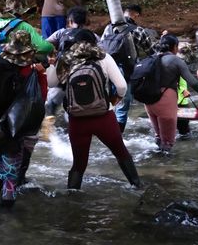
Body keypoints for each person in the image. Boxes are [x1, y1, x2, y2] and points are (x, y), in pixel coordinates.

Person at [56, 29, 141, 190]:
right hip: (103, 116)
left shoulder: (66, 59)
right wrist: (116, 99)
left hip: (77, 119)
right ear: (94, 43)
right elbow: (122, 86)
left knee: (79, 163)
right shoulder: (103, 57)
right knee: (121, 153)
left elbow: (52, 82)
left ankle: (72, 198)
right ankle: (137, 186)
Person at [0, 30, 47, 207]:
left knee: (1, 165)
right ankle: (6, 211)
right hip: (12, 128)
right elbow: (39, 100)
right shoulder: (32, 73)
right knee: (11, 172)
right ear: (29, 53)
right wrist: (41, 75)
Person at [146, 34, 198, 153]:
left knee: (159, 136)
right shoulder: (175, 60)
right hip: (167, 102)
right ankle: (168, 168)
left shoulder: (152, 58)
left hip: (149, 102)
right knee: (168, 141)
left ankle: (156, 161)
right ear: (175, 47)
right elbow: (193, 82)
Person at [101, 4, 156, 132]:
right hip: (127, 71)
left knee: (108, 102)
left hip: (107, 70)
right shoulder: (138, 30)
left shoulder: (108, 28)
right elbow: (151, 52)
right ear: (135, 14)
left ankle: (106, 131)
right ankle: (118, 136)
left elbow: (102, 48)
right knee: (122, 106)